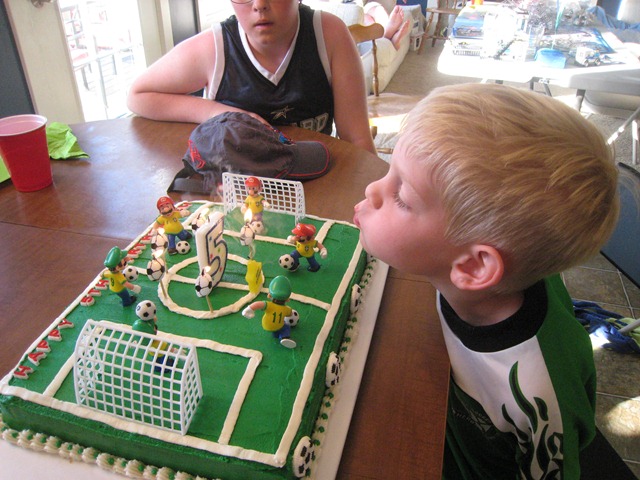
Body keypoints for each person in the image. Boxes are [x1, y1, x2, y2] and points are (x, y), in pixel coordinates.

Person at [353, 83, 620, 479]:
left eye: (402, 196)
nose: (373, 189)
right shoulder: (465, 275)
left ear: (475, 267)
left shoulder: (537, 392)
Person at [127, 0, 377, 154]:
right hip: (239, 189)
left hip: (318, 175)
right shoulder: (213, 48)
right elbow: (138, 95)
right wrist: (218, 112)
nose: (259, 4)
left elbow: (357, 140)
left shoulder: (329, 34)